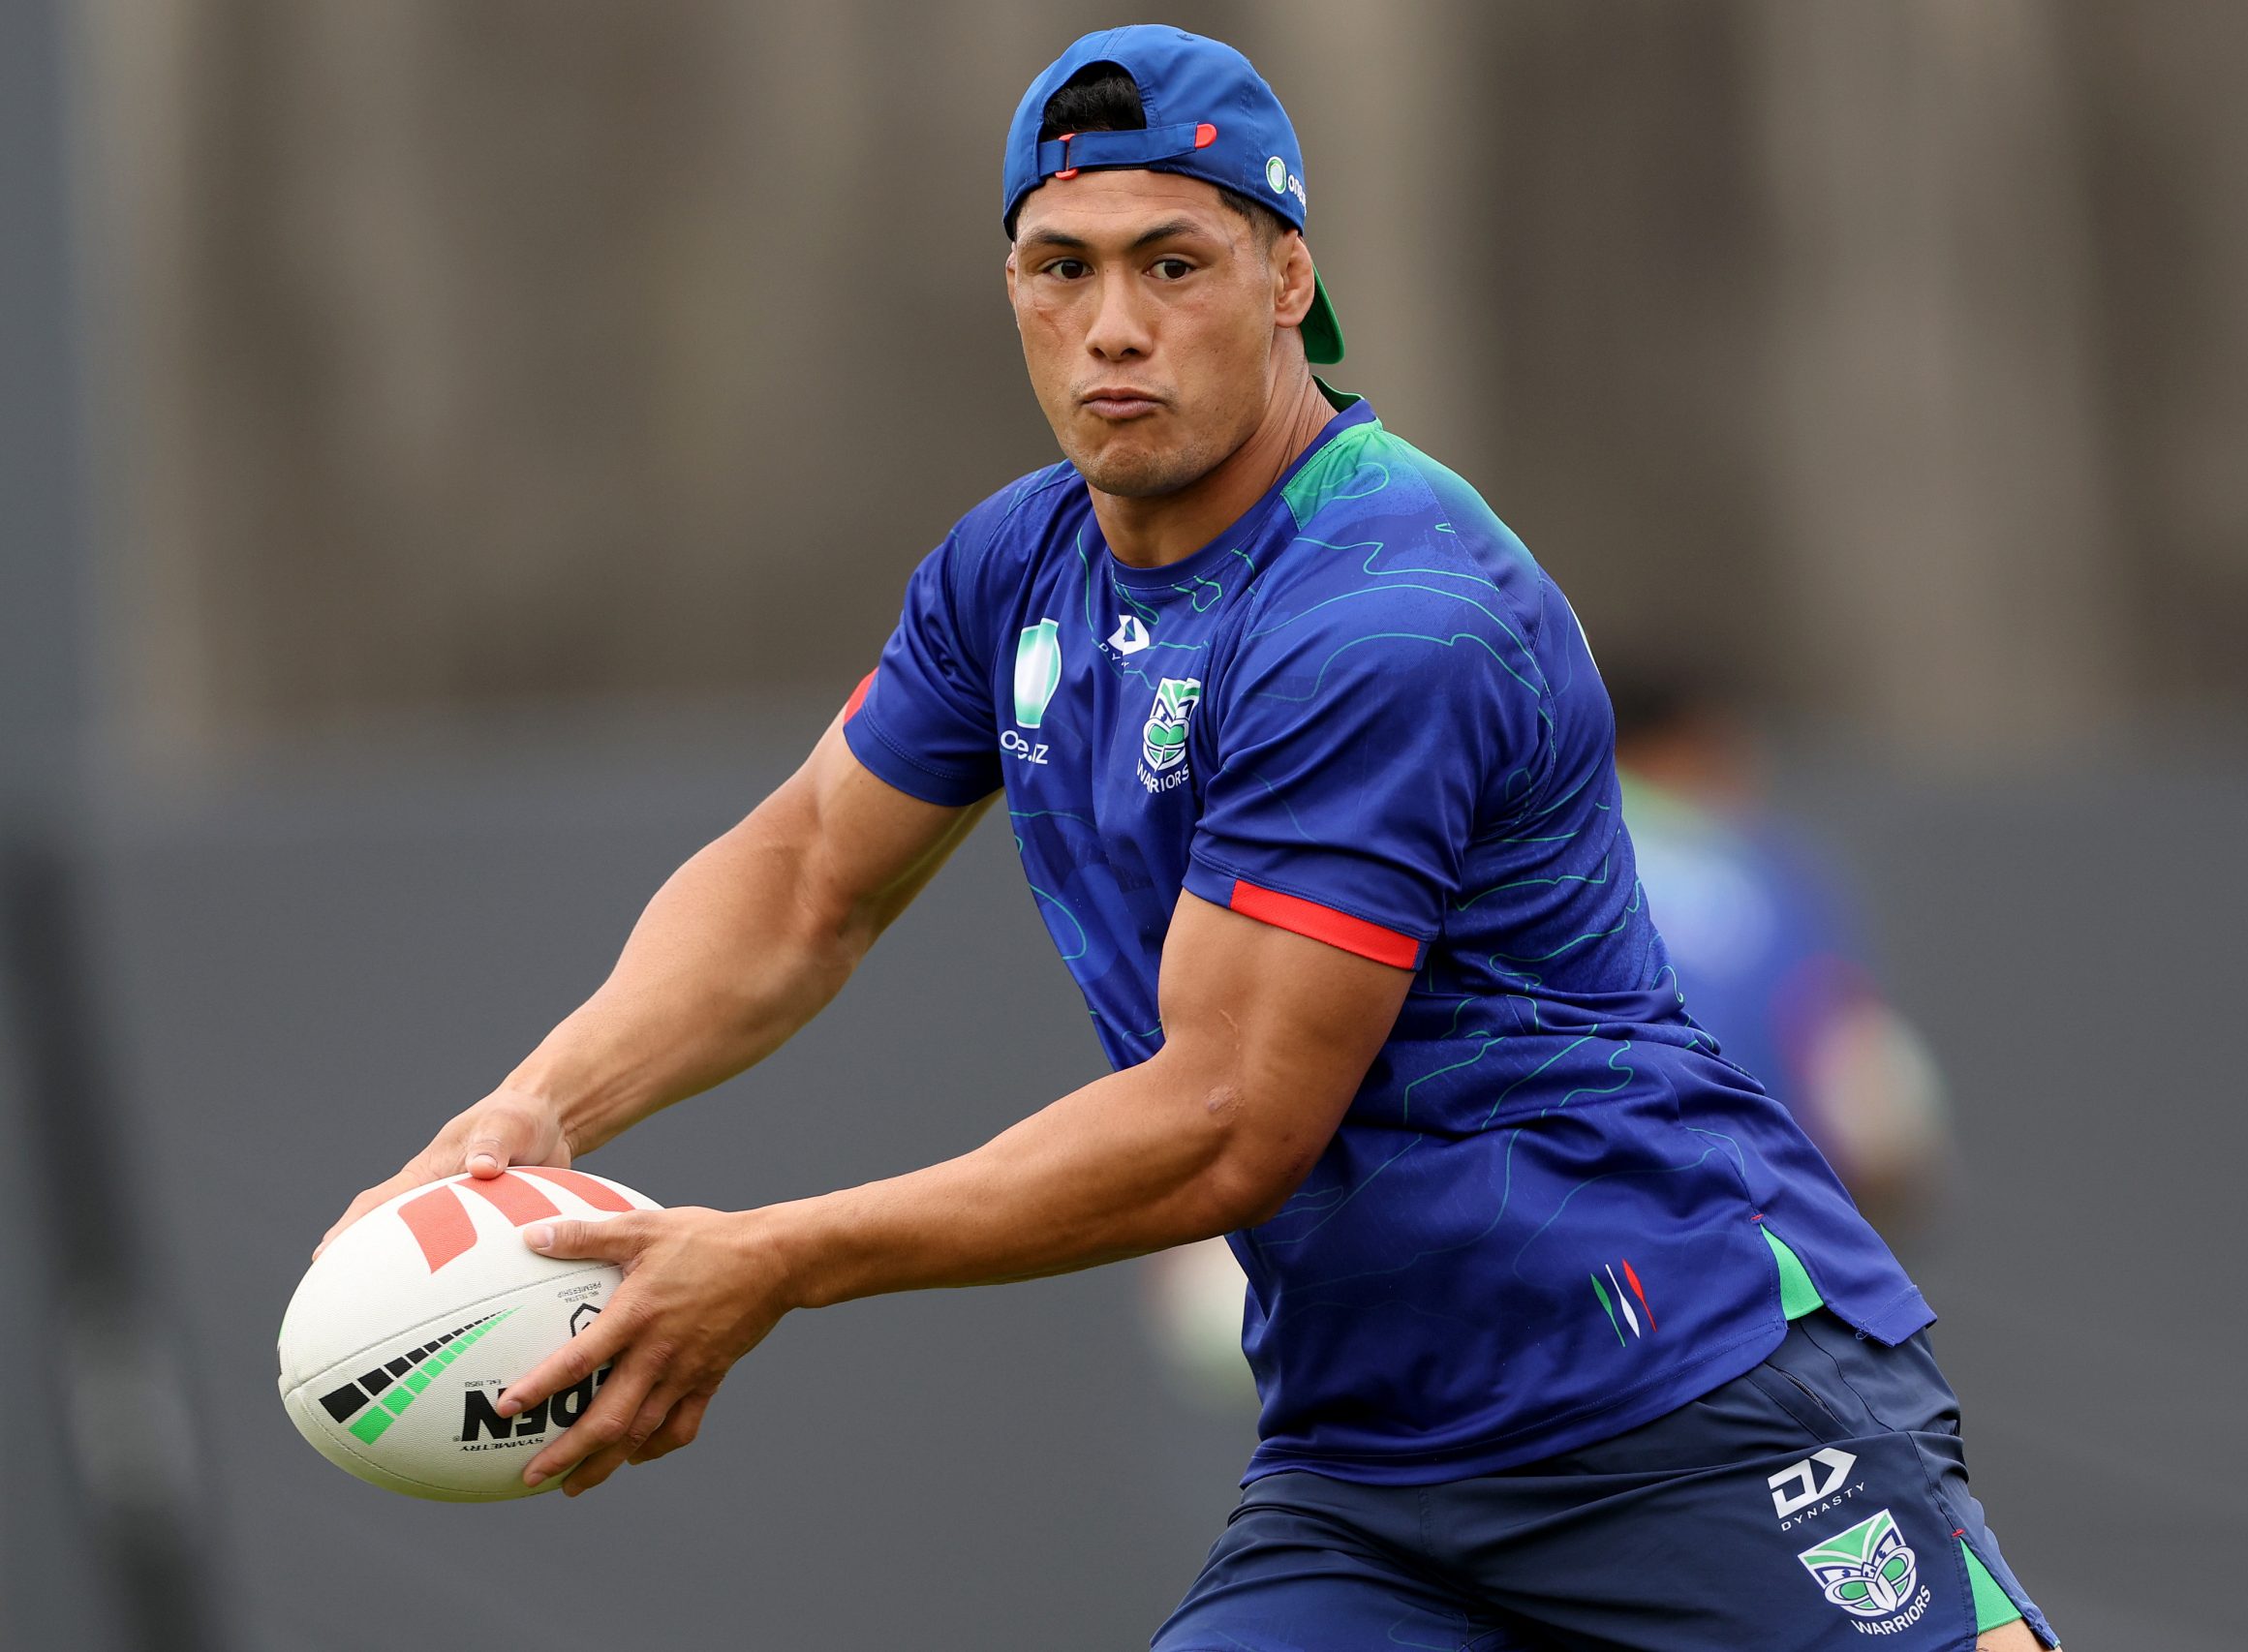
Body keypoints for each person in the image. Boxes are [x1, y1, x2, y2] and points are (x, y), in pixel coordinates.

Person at [318, 28, 2058, 1651]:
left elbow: (1228, 1124)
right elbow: (798, 880)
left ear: (1290, 280)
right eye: (1059, 268)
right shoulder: (1014, 568)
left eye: (1175, 261)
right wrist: (545, 1105)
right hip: (1369, 1467)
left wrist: (772, 1258)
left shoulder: (1389, 612)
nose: (1112, 326)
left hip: (1687, 1406)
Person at [1612, 668, 1953, 1239]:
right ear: (1684, 742)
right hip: (1738, 1233)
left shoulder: (1515, 855)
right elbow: (1874, 1117)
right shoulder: (1761, 870)